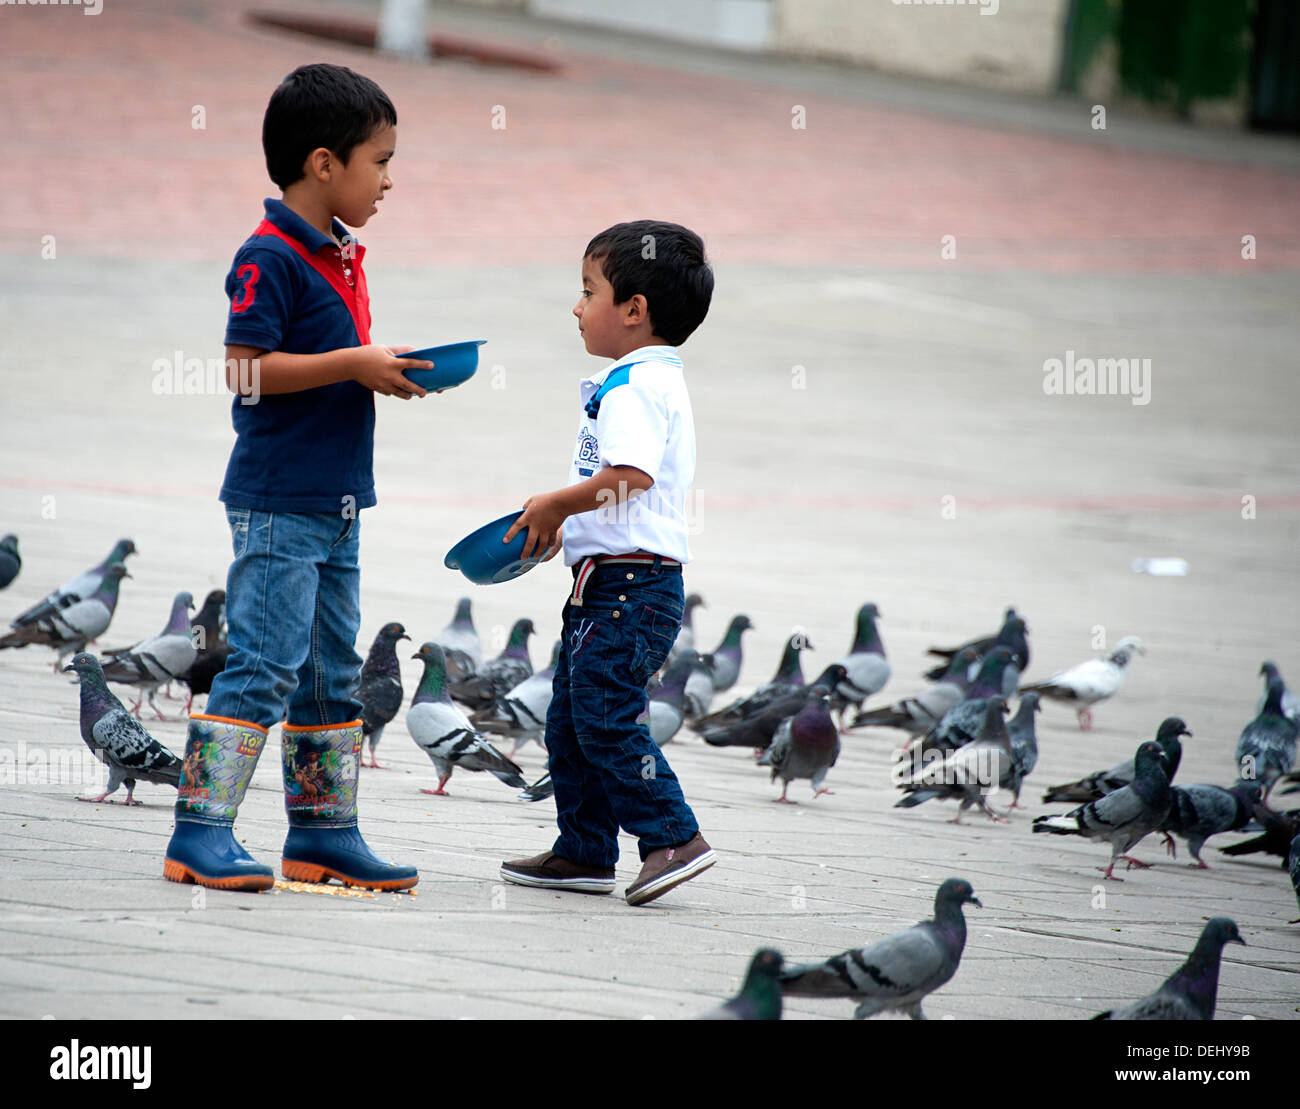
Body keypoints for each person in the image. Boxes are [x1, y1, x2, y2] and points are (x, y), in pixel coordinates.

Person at [163, 63, 432, 893]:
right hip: (279, 502)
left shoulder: (341, 254)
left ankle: (322, 834)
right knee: (265, 663)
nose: (389, 179)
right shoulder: (268, 256)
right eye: (379, 161)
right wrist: (354, 360)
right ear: (324, 164)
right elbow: (245, 371)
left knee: (328, 673)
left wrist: (378, 370)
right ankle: (198, 831)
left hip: (339, 501)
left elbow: (327, 366)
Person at [500, 220, 716, 906]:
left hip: (632, 588)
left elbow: (632, 476)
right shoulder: (641, 381)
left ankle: (672, 836)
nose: (576, 305)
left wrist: (558, 505)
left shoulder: (633, 388)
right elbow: (621, 486)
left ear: (634, 309)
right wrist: (575, 523)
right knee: (569, 717)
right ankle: (585, 848)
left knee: (603, 715)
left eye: (587, 289)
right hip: (613, 583)